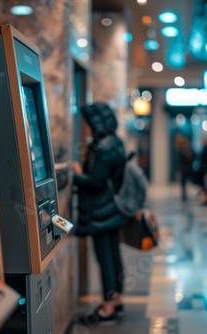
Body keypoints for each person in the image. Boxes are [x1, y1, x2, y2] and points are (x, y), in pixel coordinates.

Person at [72, 102, 127, 324]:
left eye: (87, 123)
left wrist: (76, 174)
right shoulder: (116, 142)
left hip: (101, 211)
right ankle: (117, 298)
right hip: (113, 208)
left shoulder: (102, 147)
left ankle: (108, 306)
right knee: (113, 254)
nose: (85, 128)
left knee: (105, 257)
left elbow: (95, 181)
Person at [194, 137, 207, 206]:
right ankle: (204, 198)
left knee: (204, 184)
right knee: (202, 184)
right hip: (203, 168)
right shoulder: (205, 148)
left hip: (204, 169)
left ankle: (205, 199)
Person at [176, 134, 195, 202]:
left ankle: (184, 196)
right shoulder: (188, 148)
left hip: (183, 168)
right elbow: (193, 156)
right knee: (191, 182)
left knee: (183, 183)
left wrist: (178, 171)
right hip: (189, 168)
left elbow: (179, 161)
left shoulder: (180, 150)